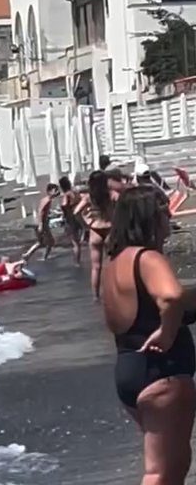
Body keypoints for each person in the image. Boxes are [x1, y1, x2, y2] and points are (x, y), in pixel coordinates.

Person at [102, 185, 196, 484]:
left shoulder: (115, 263)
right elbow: (170, 297)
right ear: (148, 217)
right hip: (162, 372)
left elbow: (164, 304)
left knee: (175, 463)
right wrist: (168, 334)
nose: (169, 214)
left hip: (131, 369)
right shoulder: (148, 258)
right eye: (163, 209)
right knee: (159, 472)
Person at [80, 169, 127, 301]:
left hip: (95, 230)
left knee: (96, 267)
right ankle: (114, 293)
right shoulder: (111, 194)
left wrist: (87, 223)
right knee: (113, 263)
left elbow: (76, 211)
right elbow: (123, 206)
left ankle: (95, 297)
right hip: (109, 229)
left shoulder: (89, 197)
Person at [23, 183, 58, 262]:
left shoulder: (45, 199)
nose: (57, 192)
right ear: (50, 191)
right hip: (42, 223)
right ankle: (44, 258)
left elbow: (43, 211)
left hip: (40, 222)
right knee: (51, 242)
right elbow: (41, 211)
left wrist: (50, 214)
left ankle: (27, 254)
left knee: (41, 242)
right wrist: (41, 224)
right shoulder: (48, 200)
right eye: (55, 190)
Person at [59, 175, 83, 266]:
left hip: (70, 219)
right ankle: (78, 261)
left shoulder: (66, 195)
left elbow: (65, 205)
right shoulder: (75, 193)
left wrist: (63, 211)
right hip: (78, 218)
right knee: (78, 241)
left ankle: (77, 263)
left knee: (75, 243)